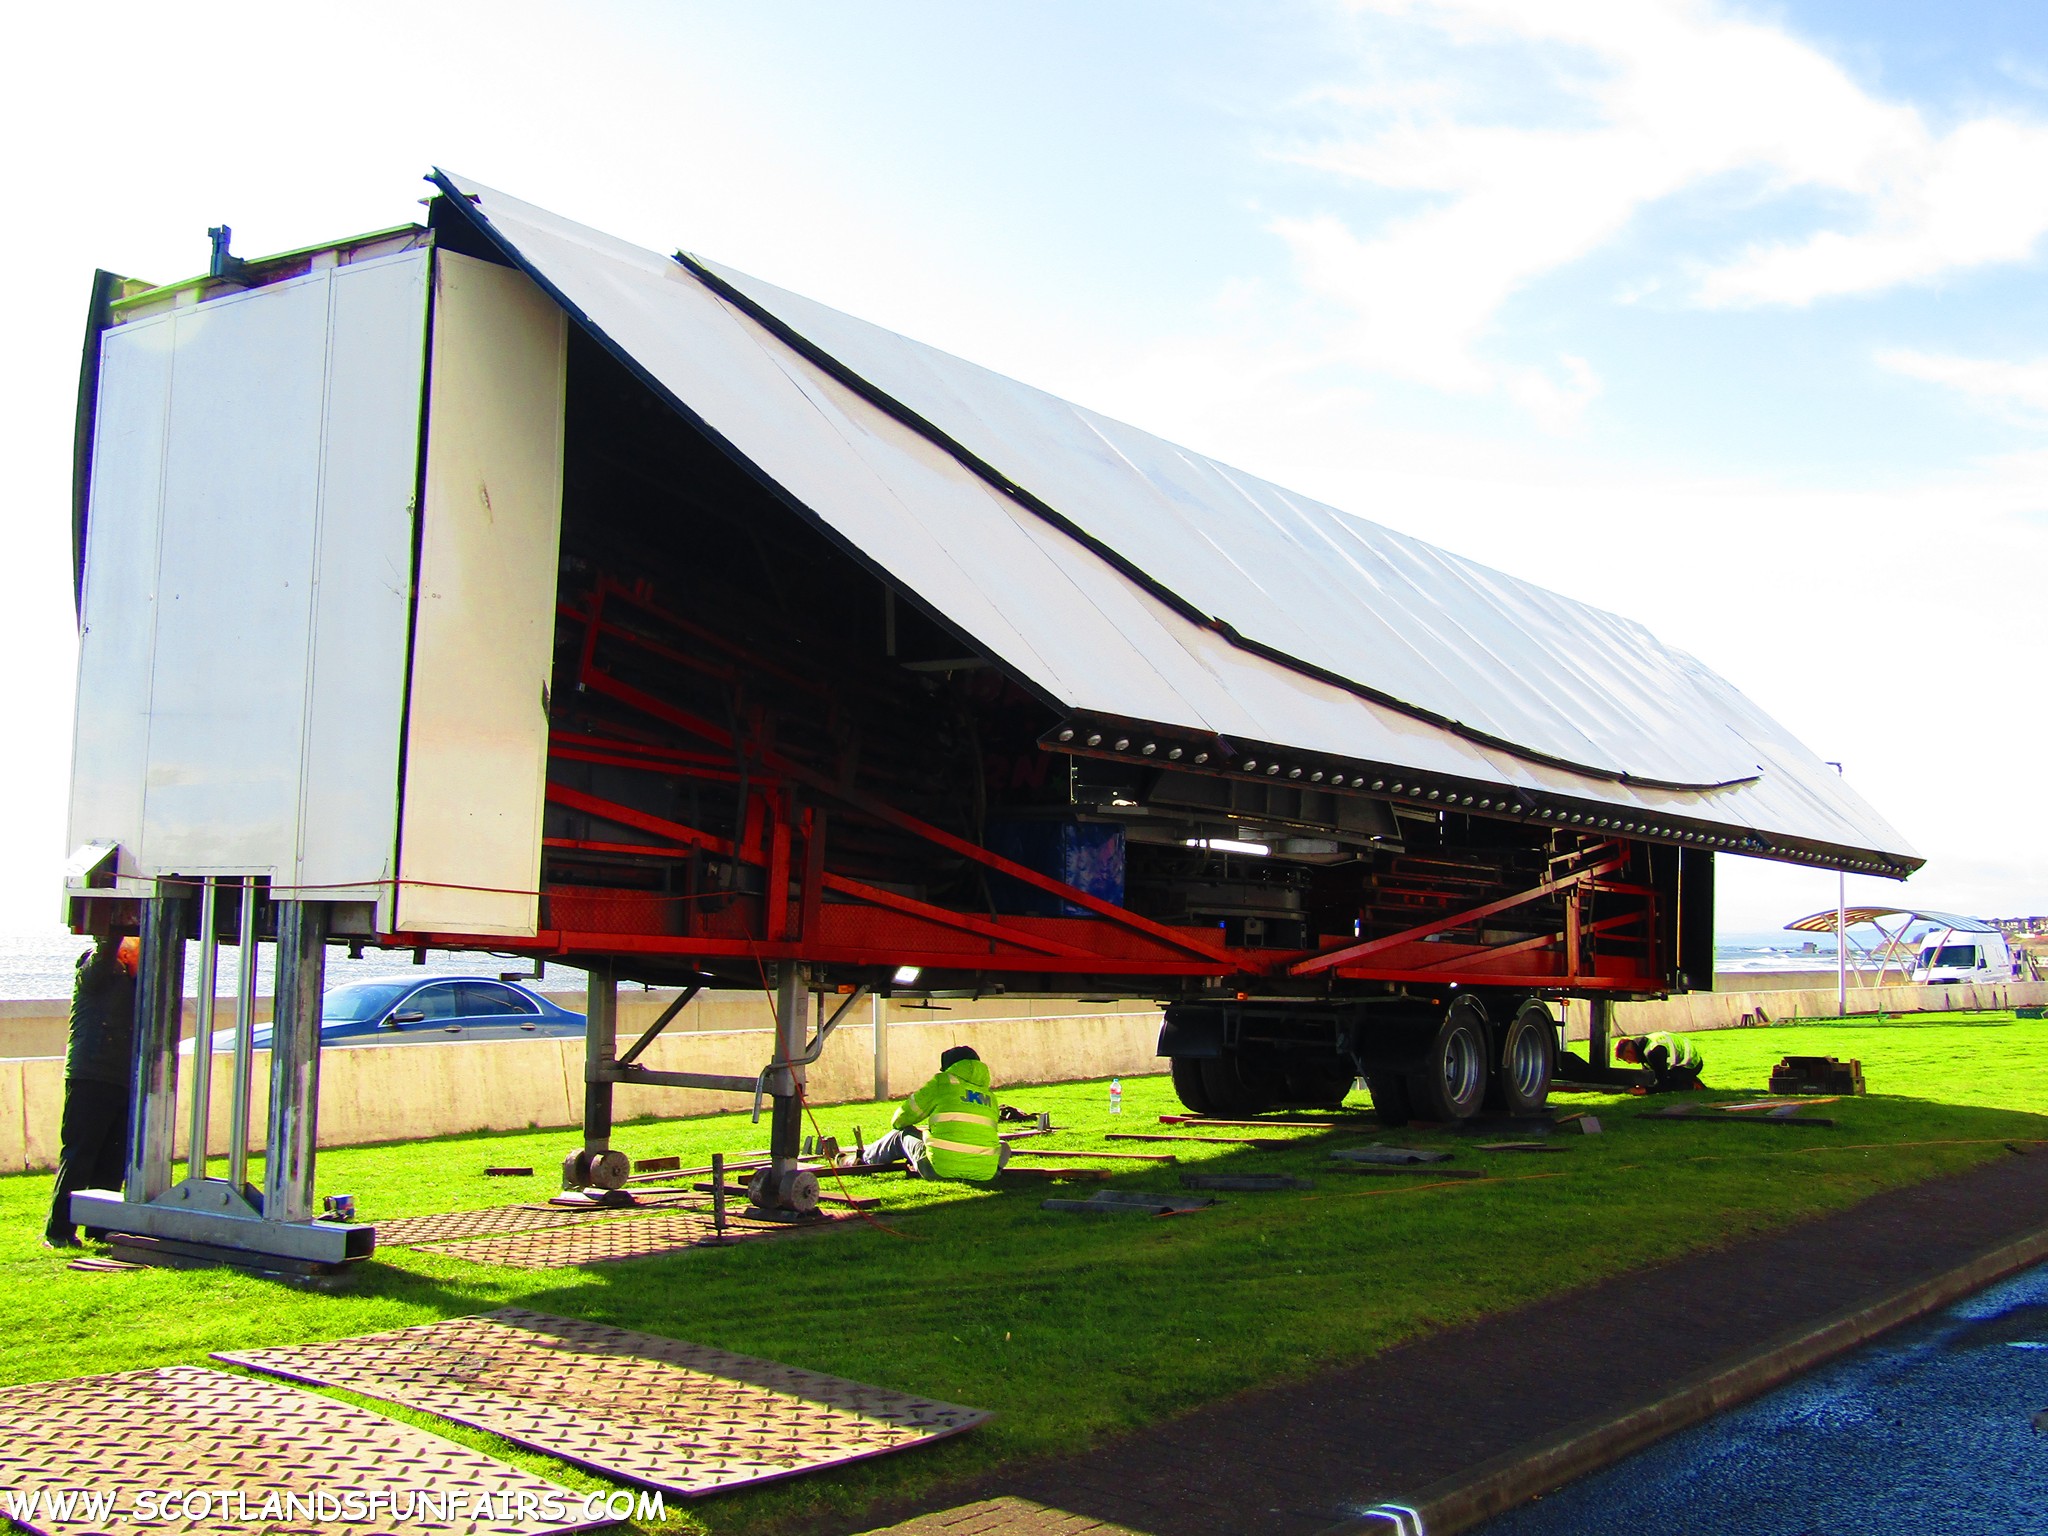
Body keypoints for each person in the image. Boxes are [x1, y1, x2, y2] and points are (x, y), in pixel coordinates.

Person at [45, 936, 139, 1248]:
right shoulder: (97, 967)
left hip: (121, 1077)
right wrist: (111, 934)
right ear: (123, 954)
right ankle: (59, 1231)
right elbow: (99, 960)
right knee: (81, 1153)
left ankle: (100, 1227)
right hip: (91, 1074)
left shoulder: (133, 981)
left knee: (113, 1157)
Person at [858, 1045, 1007, 1181]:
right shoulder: (989, 1096)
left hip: (939, 1169)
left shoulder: (942, 1083)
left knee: (902, 1134)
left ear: (949, 1067)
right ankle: (993, 1170)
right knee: (1004, 1146)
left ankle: (863, 1160)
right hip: (985, 1173)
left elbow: (901, 1119)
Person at [1616, 1030, 1704, 1093]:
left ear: (1630, 1052)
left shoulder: (1653, 1052)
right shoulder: (1643, 1045)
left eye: (1626, 1059)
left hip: (1692, 1064)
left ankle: (1692, 1085)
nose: (1629, 1062)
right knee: (1666, 1077)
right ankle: (1691, 1080)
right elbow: (1650, 1074)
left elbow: (1662, 1083)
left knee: (1670, 1082)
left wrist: (1645, 1091)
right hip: (1683, 1063)